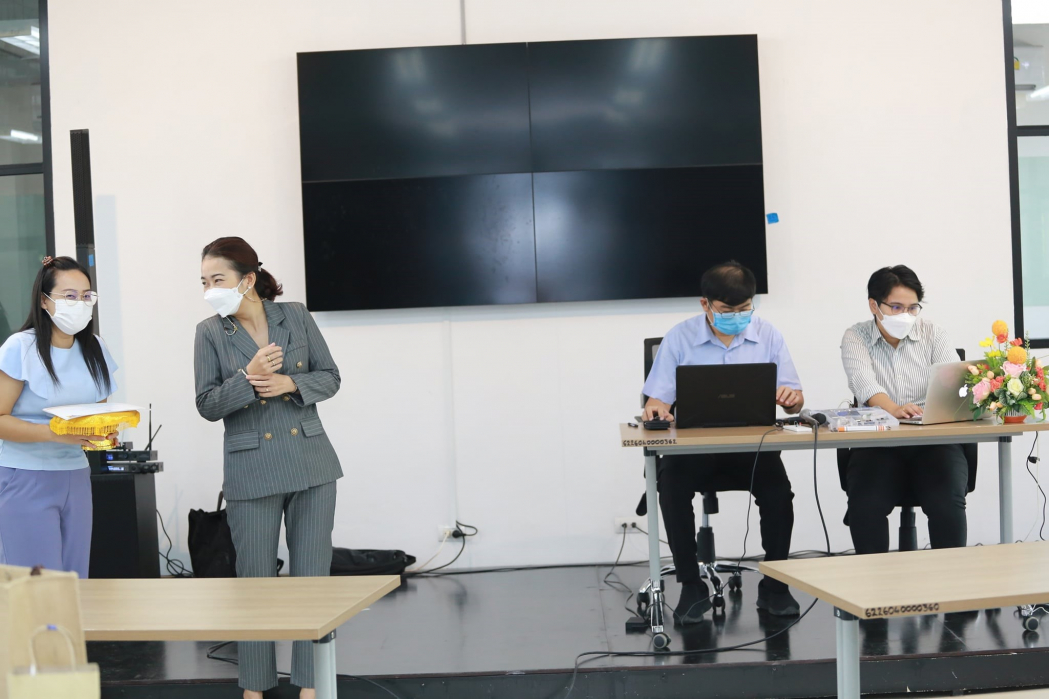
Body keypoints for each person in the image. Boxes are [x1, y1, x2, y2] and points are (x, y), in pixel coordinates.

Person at [193, 237, 342, 699]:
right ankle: (255, 686)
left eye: (218, 279)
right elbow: (206, 404)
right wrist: (250, 378)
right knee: (255, 581)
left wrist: (290, 383)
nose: (210, 290)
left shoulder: (294, 315)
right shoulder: (209, 332)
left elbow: (331, 377)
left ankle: (312, 683)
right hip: (251, 469)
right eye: (204, 282)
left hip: (311, 463)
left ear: (248, 279)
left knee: (312, 579)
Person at [642, 261, 804, 624]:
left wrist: (792, 399)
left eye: (745, 309)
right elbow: (656, 401)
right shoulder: (679, 337)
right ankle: (691, 585)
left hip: (751, 450)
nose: (738, 317)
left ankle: (776, 585)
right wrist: (658, 410)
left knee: (779, 493)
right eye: (727, 311)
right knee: (671, 488)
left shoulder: (768, 334)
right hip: (693, 452)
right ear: (705, 304)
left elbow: (795, 397)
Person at [0, 256, 119, 578]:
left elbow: (99, 414)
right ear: (44, 300)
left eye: (85, 296)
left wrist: (104, 434)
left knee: (74, 579)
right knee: (35, 584)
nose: (79, 303)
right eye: (69, 296)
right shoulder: (20, 348)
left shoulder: (95, 348)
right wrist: (55, 433)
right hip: (24, 476)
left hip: (76, 476)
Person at [840, 265, 967, 554]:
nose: (905, 315)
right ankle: (874, 581)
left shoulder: (934, 333)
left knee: (947, 504)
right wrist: (893, 409)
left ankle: (953, 579)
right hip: (878, 443)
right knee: (865, 506)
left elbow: (953, 382)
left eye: (912, 308)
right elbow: (863, 382)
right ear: (874, 305)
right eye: (896, 307)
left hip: (933, 441)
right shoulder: (856, 336)